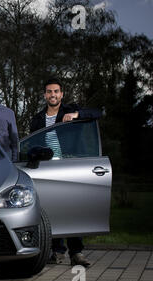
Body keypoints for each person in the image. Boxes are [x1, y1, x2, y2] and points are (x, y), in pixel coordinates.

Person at [30, 78, 102, 267]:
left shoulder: (71, 110)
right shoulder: (37, 119)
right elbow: (32, 143)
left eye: (56, 91)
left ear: (61, 94)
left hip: (70, 166)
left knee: (73, 208)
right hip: (47, 168)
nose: (52, 95)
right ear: (44, 95)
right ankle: (57, 251)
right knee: (52, 209)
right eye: (49, 91)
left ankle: (76, 253)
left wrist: (77, 115)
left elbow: (97, 113)